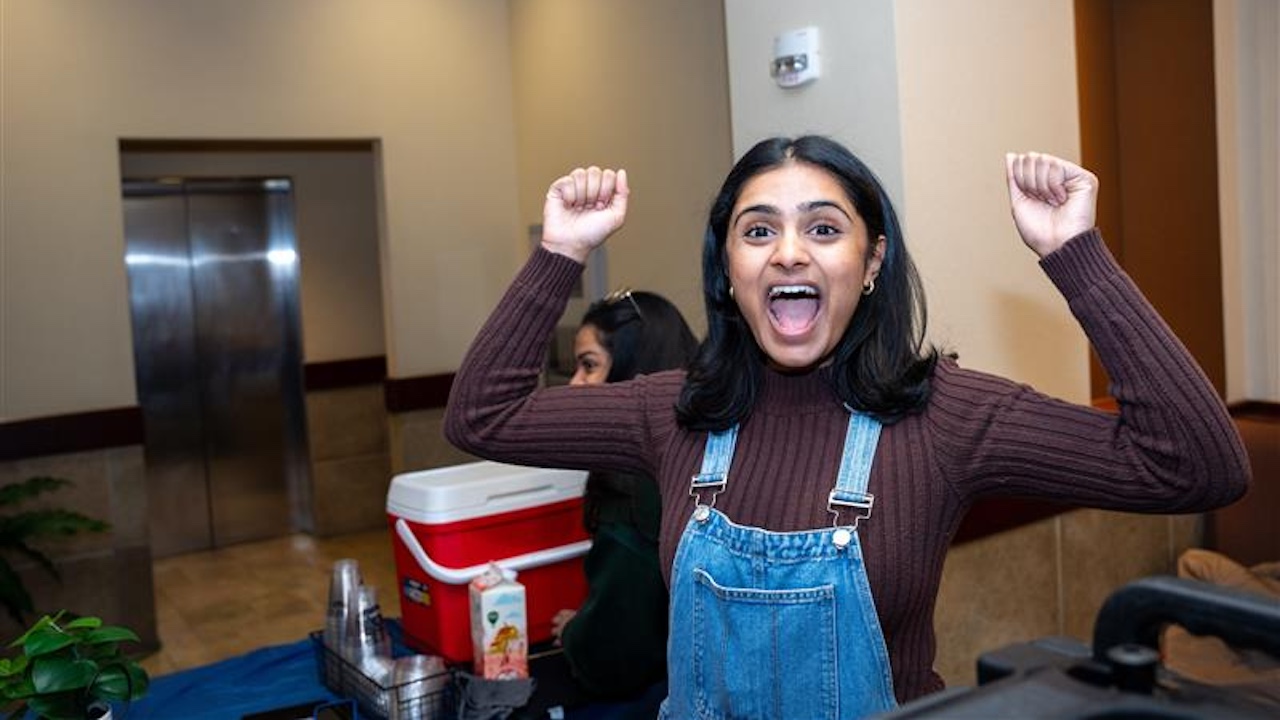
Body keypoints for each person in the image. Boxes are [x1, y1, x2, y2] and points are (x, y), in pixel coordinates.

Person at [445, 136, 1250, 719]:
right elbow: (484, 413)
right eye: (758, 231)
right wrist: (559, 253)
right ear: (729, 271)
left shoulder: (944, 414)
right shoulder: (671, 409)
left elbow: (1196, 466)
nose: (789, 252)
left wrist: (1075, 254)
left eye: (824, 229)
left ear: (870, 265)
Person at [551, 288, 697, 706]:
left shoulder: (630, 484)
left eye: (589, 366)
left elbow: (616, 650)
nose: (576, 384)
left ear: (635, 372)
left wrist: (579, 635)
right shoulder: (706, 444)